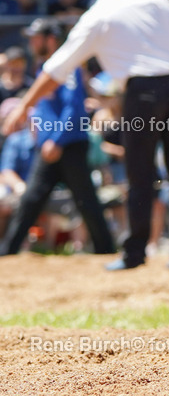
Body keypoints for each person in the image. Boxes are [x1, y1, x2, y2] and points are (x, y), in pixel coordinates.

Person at [2, 0, 169, 270]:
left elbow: (55, 70)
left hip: (141, 93)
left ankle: (135, 253)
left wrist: (24, 106)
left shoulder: (97, 15)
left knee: (140, 174)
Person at [0, 18, 115, 256]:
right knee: (32, 199)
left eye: (36, 37)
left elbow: (74, 108)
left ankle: (106, 249)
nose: (31, 42)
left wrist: (56, 140)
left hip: (67, 144)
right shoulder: (46, 67)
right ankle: (9, 251)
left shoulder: (67, 65)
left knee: (85, 200)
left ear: (50, 39)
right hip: (51, 145)